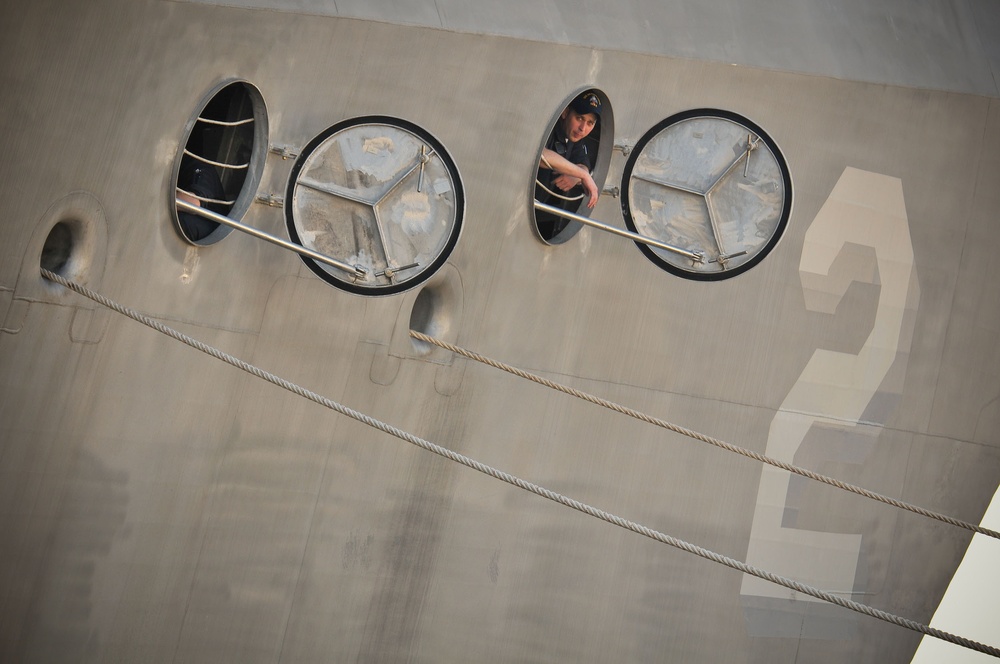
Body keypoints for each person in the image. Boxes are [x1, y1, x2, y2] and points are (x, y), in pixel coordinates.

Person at [536, 91, 602, 210]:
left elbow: (583, 164)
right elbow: (539, 155)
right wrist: (582, 175)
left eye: (590, 123)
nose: (582, 128)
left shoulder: (574, 137)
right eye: (579, 118)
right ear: (565, 113)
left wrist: (576, 176)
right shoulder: (548, 128)